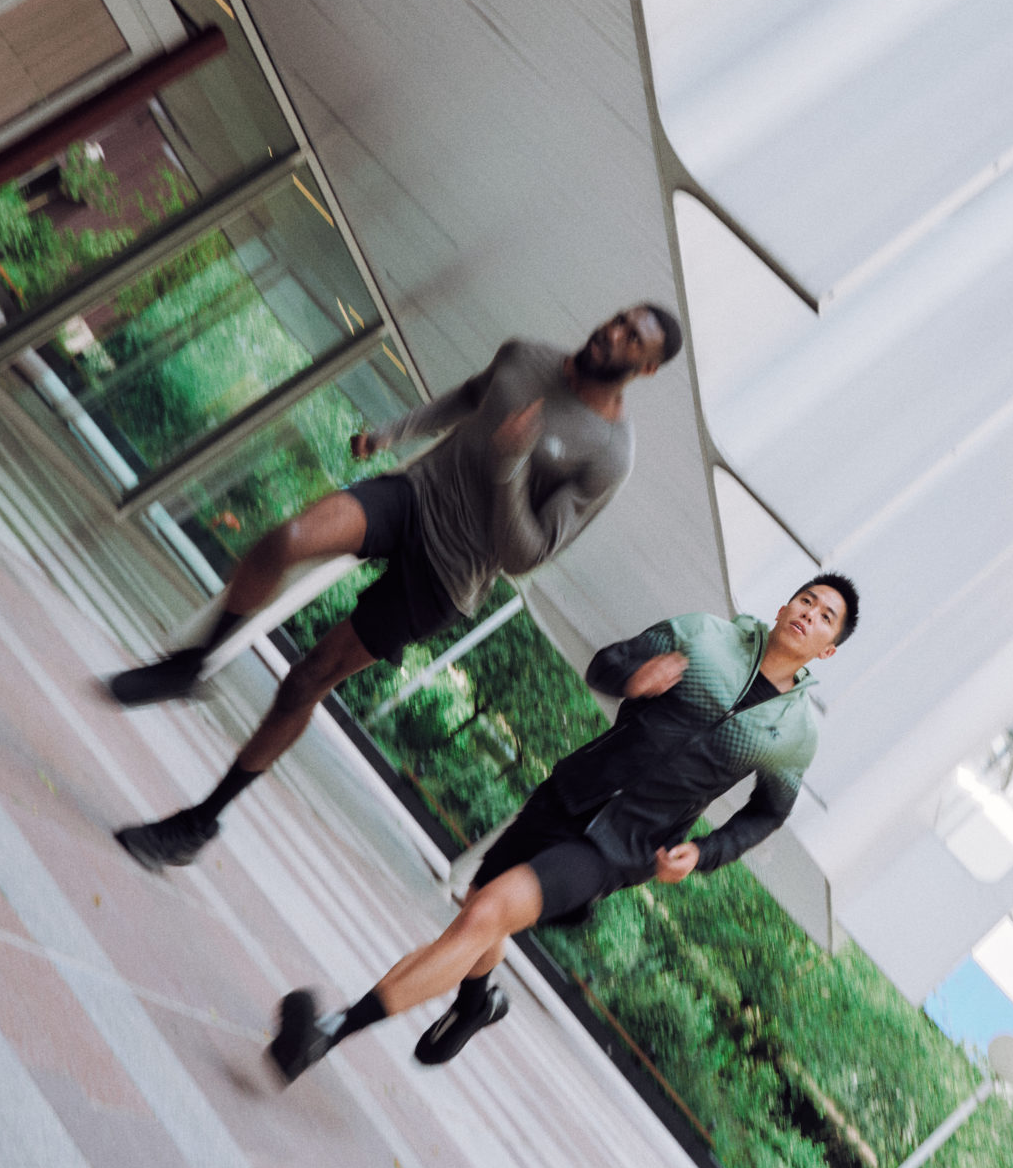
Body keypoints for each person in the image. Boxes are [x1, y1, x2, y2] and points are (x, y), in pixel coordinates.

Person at [106, 303, 684, 871]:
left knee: (306, 680)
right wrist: (393, 433)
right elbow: (472, 395)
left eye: (633, 338)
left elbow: (524, 556)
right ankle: (192, 665)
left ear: (648, 368)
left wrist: (511, 465)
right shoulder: (525, 355)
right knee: (286, 540)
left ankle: (198, 823)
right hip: (416, 495)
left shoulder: (610, 455)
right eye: (619, 320)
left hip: (450, 574)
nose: (614, 332)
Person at [266, 573, 857, 1081]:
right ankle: (475, 1004)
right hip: (570, 794)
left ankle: (327, 1032)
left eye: (825, 616)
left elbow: (767, 813)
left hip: (621, 848)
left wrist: (705, 852)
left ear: (827, 650)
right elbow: (608, 662)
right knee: (480, 906)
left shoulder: (795, 734)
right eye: (806, 600)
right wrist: (634, 677)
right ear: (785, 605)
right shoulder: (704, 636)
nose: (810, 613)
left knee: (483, 914)